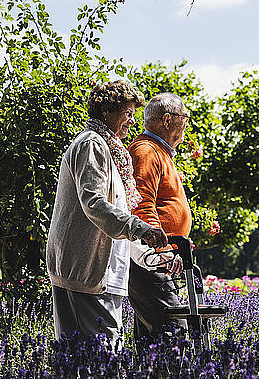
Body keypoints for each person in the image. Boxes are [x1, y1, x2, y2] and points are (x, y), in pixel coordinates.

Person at [46, 81, 168, 346]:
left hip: (102, 272)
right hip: (84, 270)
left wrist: (155, 258)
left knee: (93, 358)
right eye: (127, 114)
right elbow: (95, 203)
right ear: (105, 111)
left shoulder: (110, 150)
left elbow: (118, 217)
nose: (131, 122)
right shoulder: (91, 145)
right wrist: (141, 228)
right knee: (99, 357)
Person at [128, 92, 192, 342]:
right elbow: (141, 205)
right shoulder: (146, 151)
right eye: (184, 117)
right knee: (173, 330)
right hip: (150, 258)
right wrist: (162, 251)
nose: (187, 123)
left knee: (151, 336)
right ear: (167, 120)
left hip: (157, 258)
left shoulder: (158, 151)